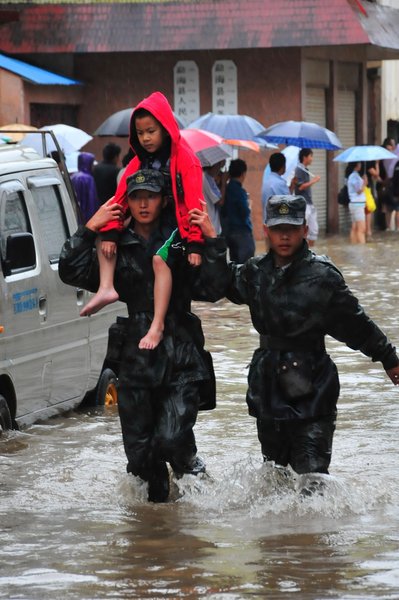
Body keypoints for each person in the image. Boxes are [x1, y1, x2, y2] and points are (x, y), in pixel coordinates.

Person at [191, 194, 399, 492]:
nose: (284, 235)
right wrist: (211, 240)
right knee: (275, 473)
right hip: (268, 382)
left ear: (304, 230)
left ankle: (311, 535)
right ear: (266, 231)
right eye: (278, 229)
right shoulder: (255, 271)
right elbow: (214, 286)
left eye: (291, 228)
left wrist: (388, 357)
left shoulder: (322, 276)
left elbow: (356, 324)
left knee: (313, 472)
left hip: (313, 383)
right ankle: (281, 539)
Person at [59, 176, 228, 503]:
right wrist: (91, 227)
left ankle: (199, 491)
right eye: (136, 197)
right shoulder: (116, 244)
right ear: (128, 202)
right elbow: (71, 271)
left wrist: (211, 239)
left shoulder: (180, 242)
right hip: (136, 358)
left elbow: (214, 288)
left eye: (151, 196)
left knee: (172, 439)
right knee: (140, 457)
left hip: (180, 352)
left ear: (164, 200)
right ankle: (157, 531)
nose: (143, 204)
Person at [80, 92, 205, 350]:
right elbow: (120, 200)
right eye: (140, 133)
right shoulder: (137, 163)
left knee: (160, 259)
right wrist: (112, 232)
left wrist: (194, 243)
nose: (146, 138)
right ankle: (106, 288)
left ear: (165, 128)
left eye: (151, 131)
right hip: (142, 225)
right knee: (106, 228)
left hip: (174, 226)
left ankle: (157, 324)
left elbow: (194, 204)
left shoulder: (185, 159)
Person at [221, 158, 255, 263]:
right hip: (242, 232)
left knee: (235, 265)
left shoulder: (226, 188)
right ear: (243, 173)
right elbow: (244, 212)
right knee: (246, 266)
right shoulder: (239, 191)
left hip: (230, 232)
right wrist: (249, 206)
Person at [294, 148, 320, 247]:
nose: (312, 159)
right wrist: (314, 181)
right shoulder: (299, 170)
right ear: (305, 157)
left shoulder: (305, 170)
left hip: (309, 203)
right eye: (311, 156)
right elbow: (300, 187)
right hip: (303, 204)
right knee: (303, 230)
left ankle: (310, 252)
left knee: (313, 231)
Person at [71, 152, 99, 224]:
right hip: (87, 218)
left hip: (74, 215)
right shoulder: (88, 179)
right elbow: (91, 201)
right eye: (92, 163)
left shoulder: (73, 177)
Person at [261, 152, 290, 222]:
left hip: (268, 222)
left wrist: (291, 186)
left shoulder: (266, 182)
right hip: (278, 224)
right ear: (283, 166)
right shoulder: (280, 183)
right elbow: (288, 203)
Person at [202, 160, 227, 235]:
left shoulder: (208, 178)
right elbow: (220, 201)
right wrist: (224, 182)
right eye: (220, 165)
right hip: (211, 226)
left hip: (210, 225)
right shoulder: (206, 177)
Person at [346, 162, 367, 244]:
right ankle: (362, 249)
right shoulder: (354, 176)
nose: (361, 165)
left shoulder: (354, 176)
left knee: (355, 228)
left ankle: (354, 248)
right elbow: (359, 191)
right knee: (361, 229)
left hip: (355, 204)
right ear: (357, 165)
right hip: (357, 205)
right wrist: (364, 183)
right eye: (359, 163)